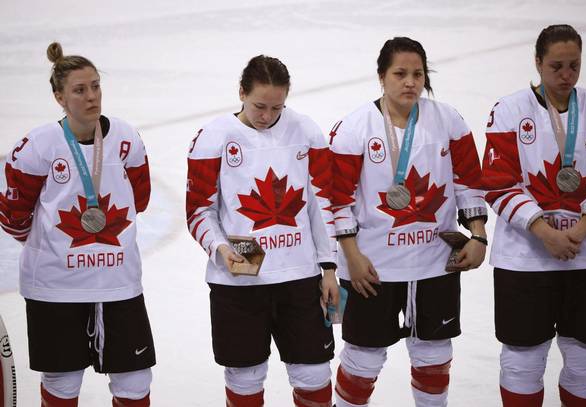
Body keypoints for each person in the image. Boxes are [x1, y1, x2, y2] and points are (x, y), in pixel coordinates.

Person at [329, 37, 487, 407]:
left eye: (418, 74)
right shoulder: (354, 128)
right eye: (400, 73)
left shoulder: (448, 119)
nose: (410, 82)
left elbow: (469, 181)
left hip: (435, 262)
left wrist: (477, 234)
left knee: (433, 356)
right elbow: (338, 201)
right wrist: (350, 256)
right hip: (371, 266)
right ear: (382, 76)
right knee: (362, 360)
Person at [0, 42, 155, 406]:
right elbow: (12, 215)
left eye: (96, 86)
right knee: (63, 382)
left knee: (135, 380)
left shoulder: (126, 139)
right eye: (80, 90)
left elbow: (140, 200)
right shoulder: (37, 146)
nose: (91, 97)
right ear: (59, 97)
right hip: (56, 286)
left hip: (118, 282)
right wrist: (52, 245)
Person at [186, 55, 339, 407]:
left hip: (300, 279)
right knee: (244, 378)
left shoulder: (306, 131)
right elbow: (199, 211)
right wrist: (221, 249)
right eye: (259, 106)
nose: (267, 116)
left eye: (276, 107)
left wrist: (329, 267)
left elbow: (322, 205)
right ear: (241, 92)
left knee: (314, 375)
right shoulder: (213, 138)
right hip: (239, 284)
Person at [481, 24, 586, 406]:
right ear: (538, 63)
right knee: (522, 363)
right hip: (526, 260)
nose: (566, 75)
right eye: (556, 65)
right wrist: (546, 232)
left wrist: (584, 225)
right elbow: (497, 182)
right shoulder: (509, 110)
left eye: (574, 65)